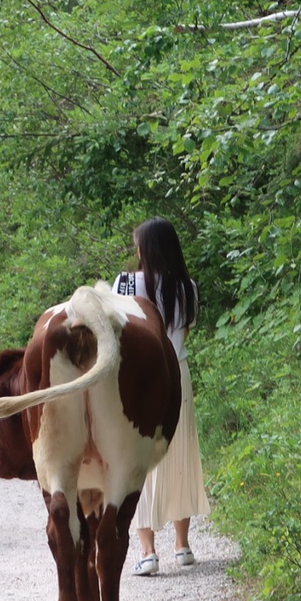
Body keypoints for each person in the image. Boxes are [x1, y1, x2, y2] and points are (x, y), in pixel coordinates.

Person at [114, 217, 208, 575]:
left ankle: (147, 550)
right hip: (178, 373)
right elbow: (184, 331)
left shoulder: (125, 284)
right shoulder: (188, 288)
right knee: (180, 453)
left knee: (137, 460)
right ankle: (182, 546)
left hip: (139, 376)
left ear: (145, 249)